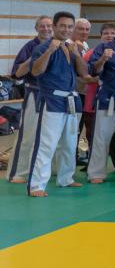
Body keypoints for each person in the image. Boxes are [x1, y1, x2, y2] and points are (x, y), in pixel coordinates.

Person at [27, 11, 89, 197]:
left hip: (71, 101)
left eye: (70, 27)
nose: (66, 29)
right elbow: (36, 71)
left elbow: (84, 74)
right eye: (62, 26)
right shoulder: (43, 47)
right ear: (54, 26)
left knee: (70, 144)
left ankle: (66, 178)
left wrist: (77, 54)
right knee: (47, 144)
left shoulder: (71, 48)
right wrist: (50, 51)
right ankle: (36, 185)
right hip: (51, 101)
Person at [7, 15, 53, 185]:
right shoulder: (30, 47)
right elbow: (17, 73)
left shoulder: (59, 45)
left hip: (54, 96)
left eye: (49, 26)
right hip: (35, 93)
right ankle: (18, 172)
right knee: (28, 135)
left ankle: (48, 169)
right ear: (36, 28)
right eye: (42, 26)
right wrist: (32, 58)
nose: (46, 29)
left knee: (50, 136)